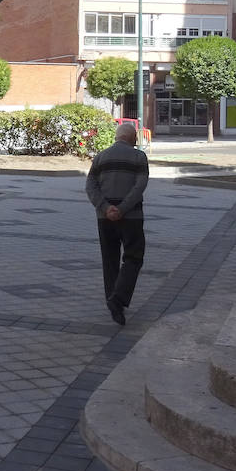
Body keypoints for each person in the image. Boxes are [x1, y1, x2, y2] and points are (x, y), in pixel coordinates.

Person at [85, 122, 149, 326]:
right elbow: (140, 186)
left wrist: (105, 208)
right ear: (133, 139)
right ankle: (118, 299)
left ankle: (113, 304)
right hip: (131, 217)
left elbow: (90, 185)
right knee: (133, 257)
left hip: (104, 219)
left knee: (110, 260)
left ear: (116, 137)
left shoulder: (100, 157)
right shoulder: (139, 157)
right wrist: (122, 208)